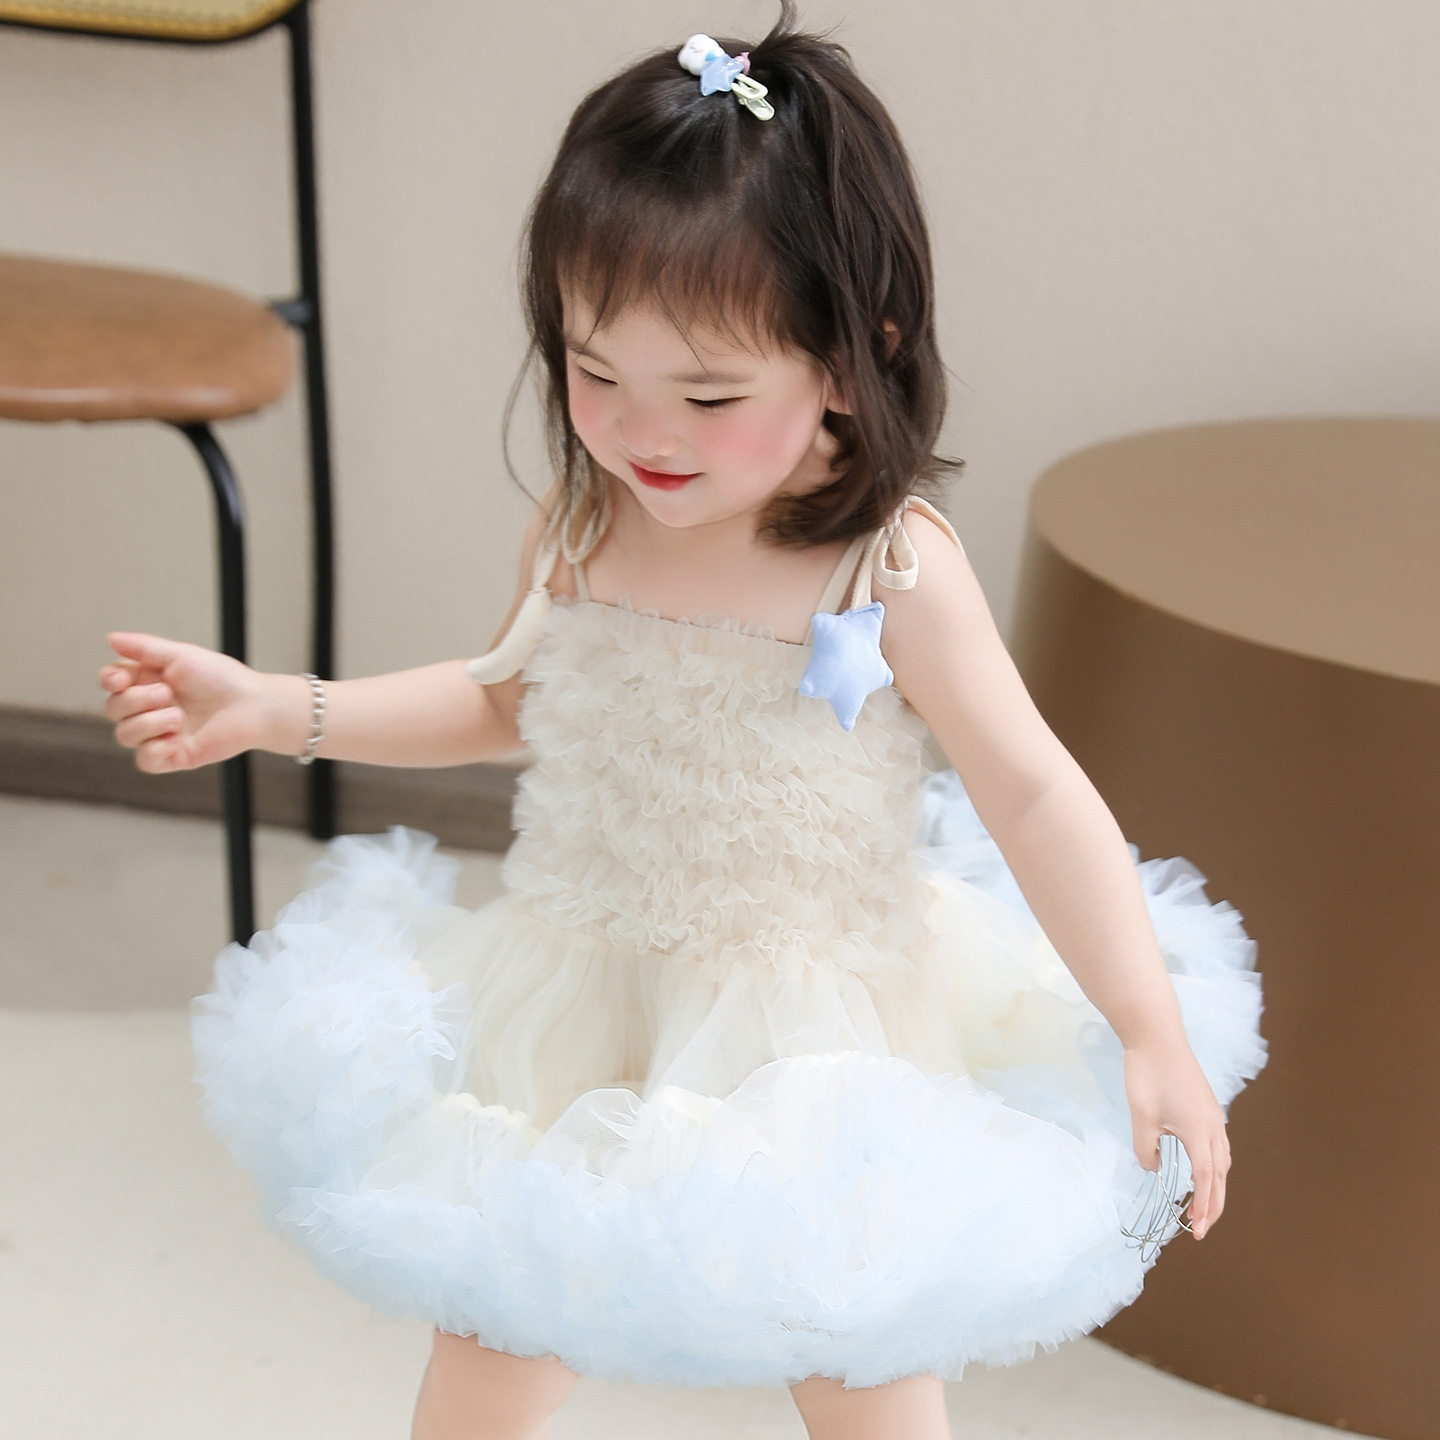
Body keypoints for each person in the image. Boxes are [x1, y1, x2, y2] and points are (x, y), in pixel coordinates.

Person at [97, 10, 1266, 1439]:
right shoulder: (584, 523)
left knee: (854, 1349)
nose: (646, 433)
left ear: (855, 353)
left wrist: (1144, 1022)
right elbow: (506, 698)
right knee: (499, 1334)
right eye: (595, 373)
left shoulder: (887, 566)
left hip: (815, 1035)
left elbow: (1029, 791)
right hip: (576, 1006)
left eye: (710, 394)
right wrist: (283, 706)